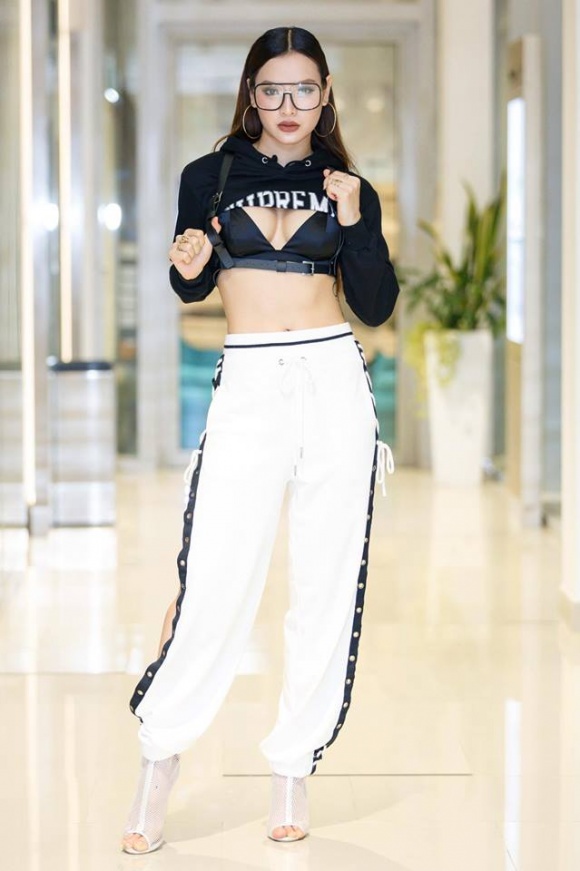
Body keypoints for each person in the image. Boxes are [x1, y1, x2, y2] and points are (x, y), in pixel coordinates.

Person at [121, 25, 399, 853]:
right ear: (250, 93)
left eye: (304, 89)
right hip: (248, 380)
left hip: (333, 380)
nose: (287, 105)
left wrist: (356, 221)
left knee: (326, 579)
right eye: (271, 89)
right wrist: (188, 258)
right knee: (214, 577)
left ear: (326, 94)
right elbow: (192, 280)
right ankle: (159, 756)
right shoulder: (208, 176)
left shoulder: (347, 185)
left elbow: (376, 304)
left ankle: (292, 766)